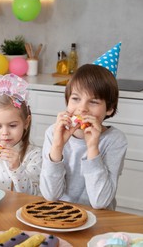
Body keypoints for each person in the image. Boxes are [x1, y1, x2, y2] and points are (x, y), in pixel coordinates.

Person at [40, 64, 128, 210]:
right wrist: (57, 147)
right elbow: (50, 195)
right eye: (75, 98)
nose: (82, 108)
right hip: (61, 214)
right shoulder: (53, 132)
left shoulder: (115, 140)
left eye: (93, 102)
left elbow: (100, 202)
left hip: (100, 219)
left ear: (110, 108)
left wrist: (93, 148)